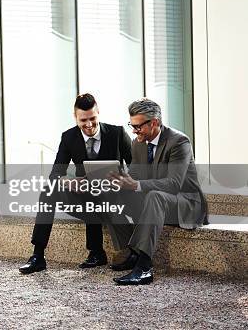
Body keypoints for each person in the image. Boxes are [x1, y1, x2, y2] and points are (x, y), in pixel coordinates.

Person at [19, 93, 132, 274]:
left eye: (93, 118)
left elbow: (137, 167)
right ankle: (38, 255)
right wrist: (67, 181)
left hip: (115, 197)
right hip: (86, 196)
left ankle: (97, 252)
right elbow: (55, 173)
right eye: (83, 120)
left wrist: (125, 180)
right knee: (49, 190)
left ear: (98, 113)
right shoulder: (69, 137)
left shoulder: (117, 133)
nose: (89, 124)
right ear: (76, 118)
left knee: (97, 195)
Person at [109, 98, 208, 285]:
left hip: (186, 203)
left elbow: (174, 184)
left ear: (154, 122)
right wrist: (122, 182)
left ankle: (144, 267)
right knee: (114, 194)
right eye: (132, 125)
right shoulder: (138, 143)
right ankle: (132, 251)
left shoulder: (179, 142)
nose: (134, 131)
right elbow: (137, 176)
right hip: (156, 201)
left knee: (155, 196)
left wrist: (136, 185)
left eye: (138, 126)